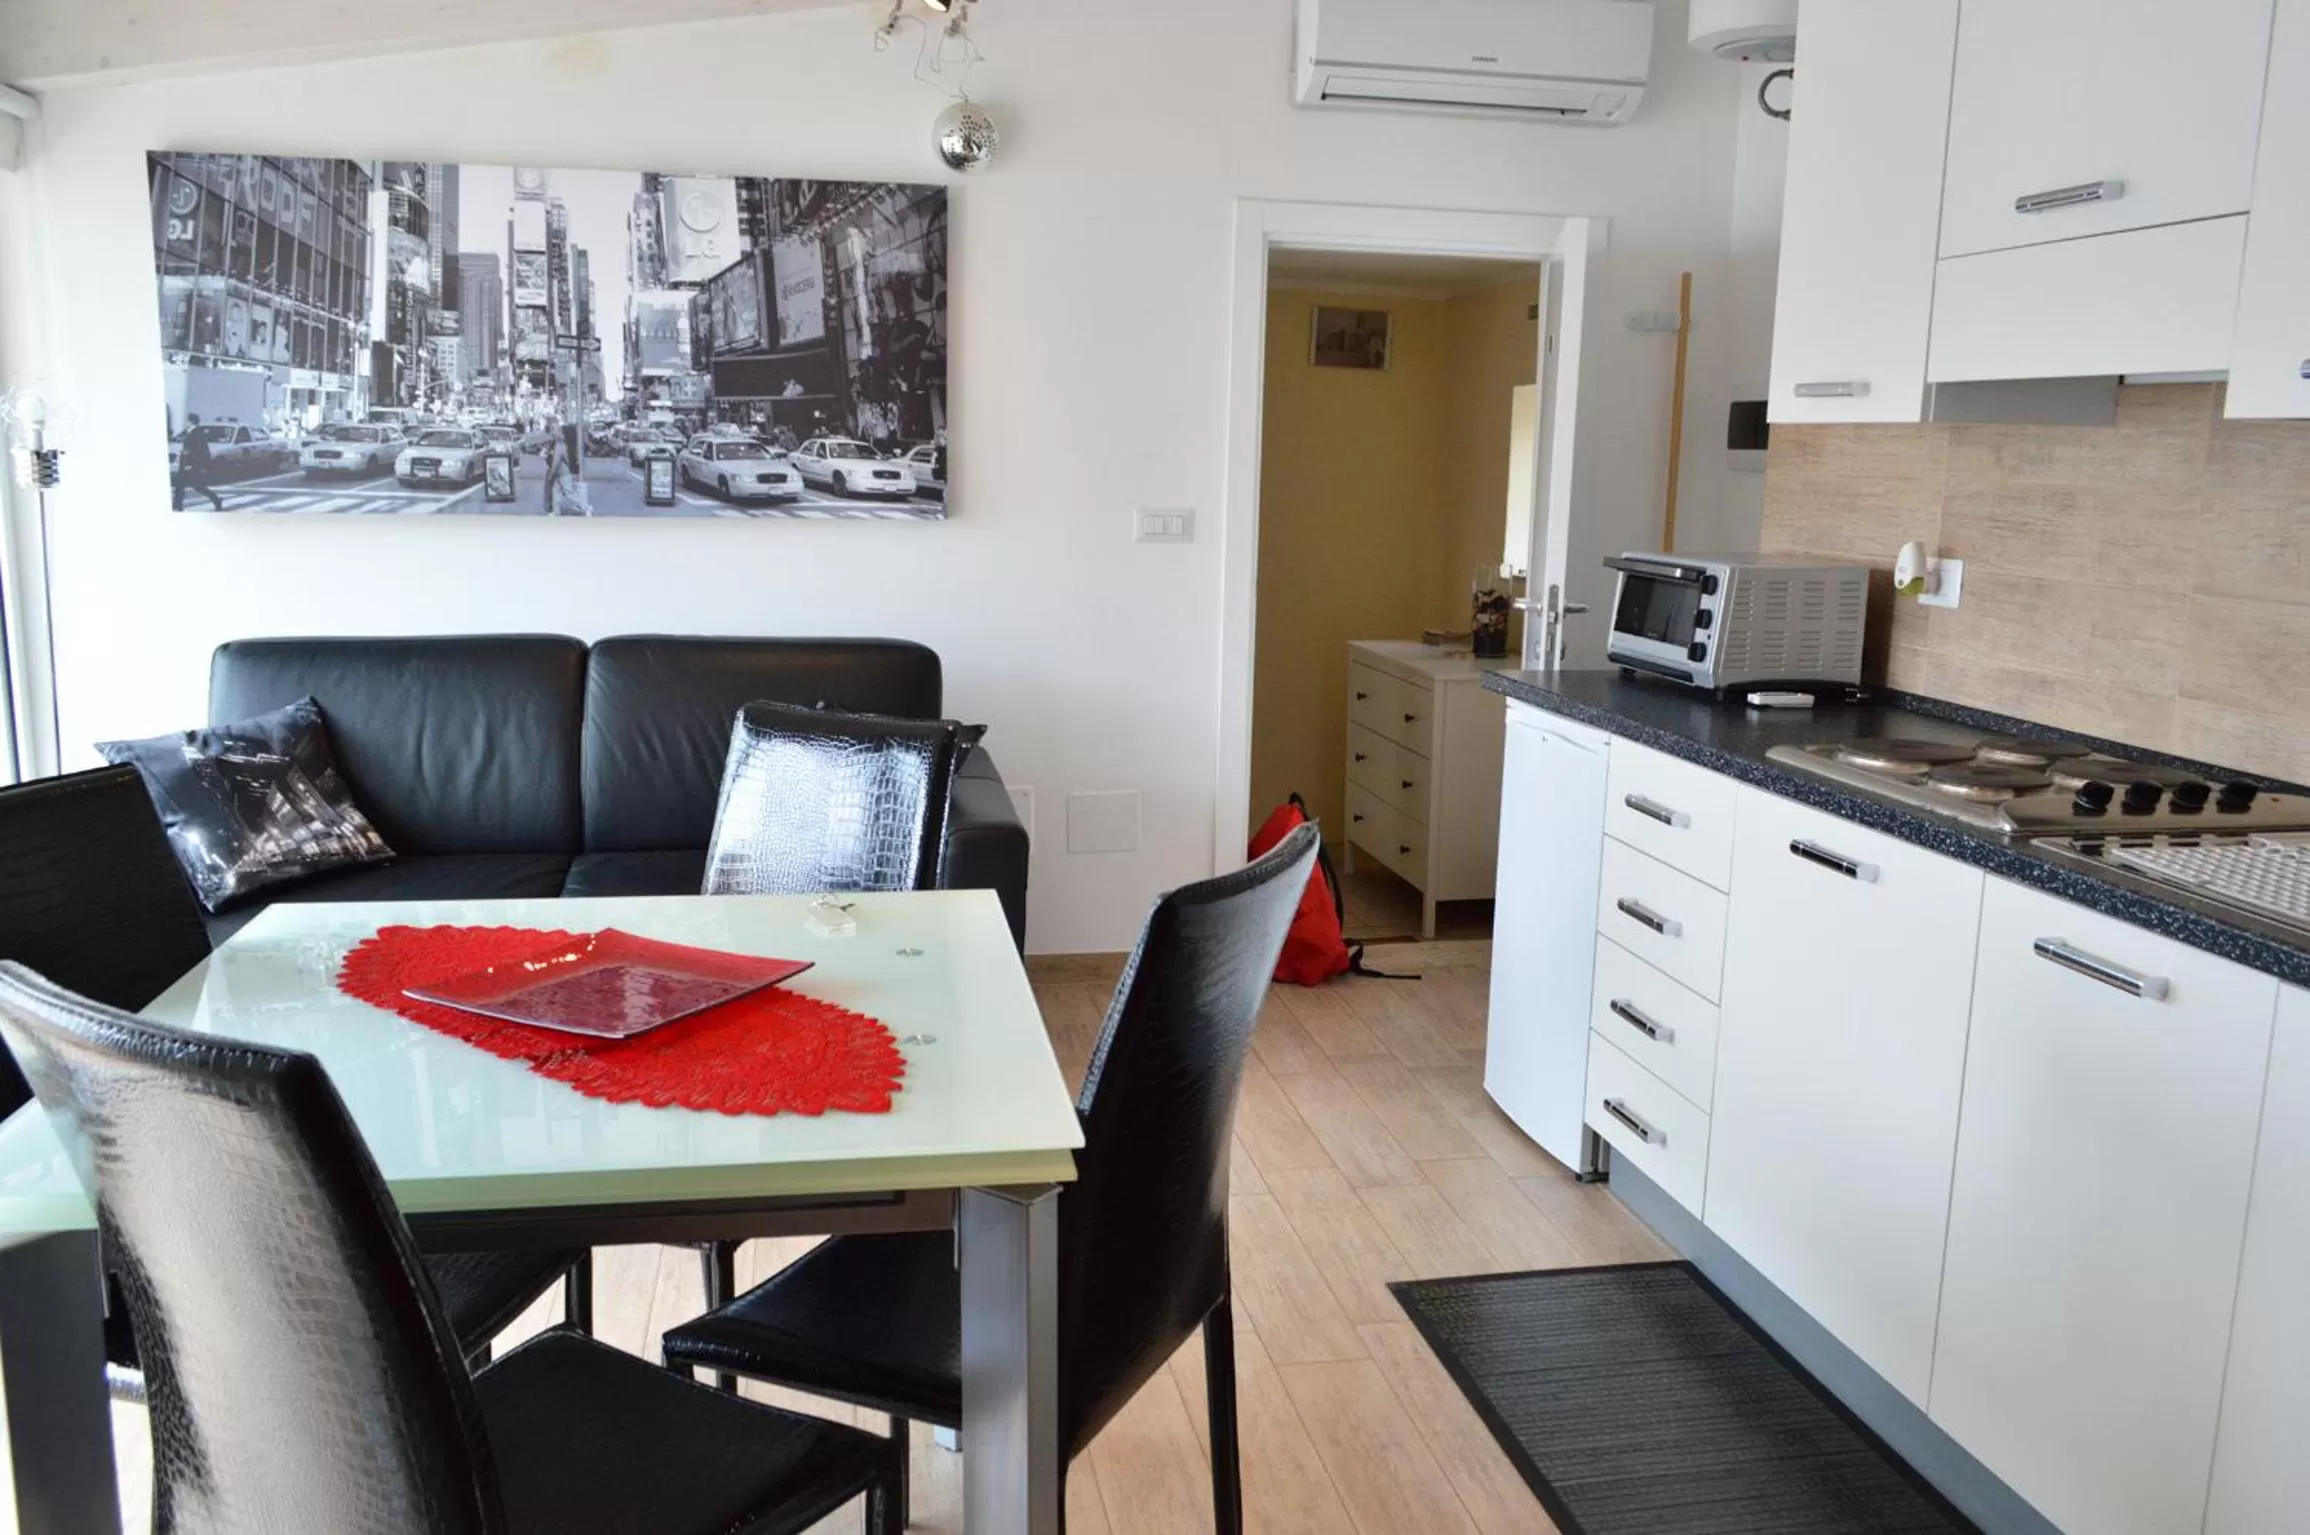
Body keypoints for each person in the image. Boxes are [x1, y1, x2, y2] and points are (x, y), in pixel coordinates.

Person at [171, 414, 225, 511]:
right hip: (186, 465)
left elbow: (199, 451)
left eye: (187, 421)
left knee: (196, 486)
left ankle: (216, 500)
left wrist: (190, 464)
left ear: (191, 421)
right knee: (183, 486)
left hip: (191, 465)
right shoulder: (190, 431)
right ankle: (177, 506)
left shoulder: (198, 433)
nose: (185, 422)